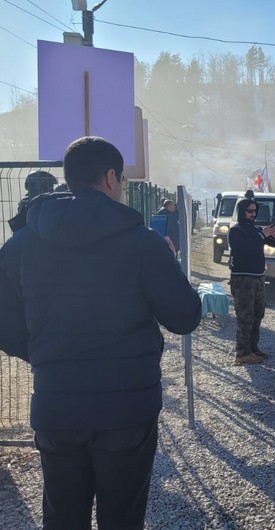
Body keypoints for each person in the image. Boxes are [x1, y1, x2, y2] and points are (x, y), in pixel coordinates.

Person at [0, 136, 201, 529]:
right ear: (111, 177)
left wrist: (43, 351)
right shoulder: (143, 243)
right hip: (127, 410)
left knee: (62, 517)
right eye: (121, 180)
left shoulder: (22, 242)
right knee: (122, 519)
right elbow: (185, 317)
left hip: (56, 403)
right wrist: (171, 263)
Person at [228, 197, 275, 365]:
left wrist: (272, 235)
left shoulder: (254, 229)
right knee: (245, 316)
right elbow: (244, 247)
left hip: (257, 278)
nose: (253, 214)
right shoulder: (236, 230)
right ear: (242, 211)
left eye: (254, 211)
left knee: (258, 314)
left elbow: (272, 244)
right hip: (243, 279)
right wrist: (262, 234)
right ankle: (242, 353)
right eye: (249, 211)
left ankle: (252, 348)